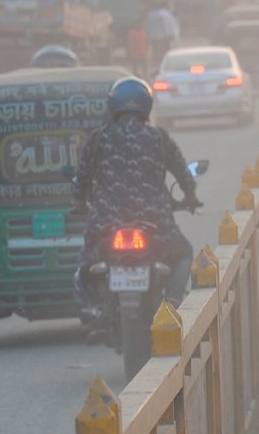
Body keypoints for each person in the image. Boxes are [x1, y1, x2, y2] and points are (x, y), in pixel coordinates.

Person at [74, 78, 201, 321]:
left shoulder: (98, 138)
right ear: (147, 106)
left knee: (86, 264)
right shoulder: (158, 137)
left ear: (112, 106)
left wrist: (79, 203)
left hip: (105, 223)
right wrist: (191, 197)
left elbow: (81, 179)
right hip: (155, 223)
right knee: (183, 253)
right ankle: (174, 303)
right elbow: (182, 173)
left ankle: (94, 306)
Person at [143, 0, 181, 77]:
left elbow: (146, 27)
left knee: (156, 54)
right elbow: (168, 27)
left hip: (153, 38)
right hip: (164, 38)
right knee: (164, 55)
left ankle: (155, 71)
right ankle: (163, 70)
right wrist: (172, 37)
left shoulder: (150, 15)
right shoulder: (166, 14)